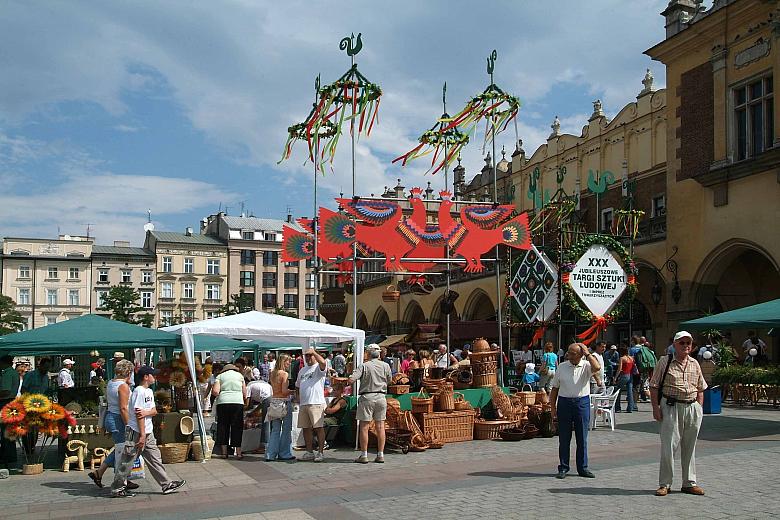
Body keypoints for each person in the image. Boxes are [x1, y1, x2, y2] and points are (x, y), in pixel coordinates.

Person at [110, 366, 185, 498]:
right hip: (137, 431)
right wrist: (142, 434)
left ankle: (166, 483)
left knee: (154, 458)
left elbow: (154, 411)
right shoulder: (139, 391)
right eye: (153, 375)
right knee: (128, 459)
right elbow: (140, 415)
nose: (155, 377)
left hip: (147, 431)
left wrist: (147, 413)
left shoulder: (149, 391)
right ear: (146, 377)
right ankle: (117, 487)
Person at [651, 331, 707, 497]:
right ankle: (665, 484)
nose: (685, 346)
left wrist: (699, 408)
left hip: (691, 408)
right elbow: (654, 386)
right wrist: (656, 408)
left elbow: (701, 387)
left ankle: (689, 483)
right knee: (669, 446)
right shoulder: (665, 361)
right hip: (671, 407)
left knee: (690, 446)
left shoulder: (694, 363)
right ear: (674, 344)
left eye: (688, 343)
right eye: (682, 343)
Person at [550, 342, 600, 479]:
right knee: (564, 438)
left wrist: (588, 353)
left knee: (582, 438)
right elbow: (554, 389)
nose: (569, 355)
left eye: (572, 353)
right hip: (564, 403)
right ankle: (563, 467)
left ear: (580, 354)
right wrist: (552, 407)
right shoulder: (562, 367)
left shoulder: (586, 366)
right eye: (568, 352)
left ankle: (582, 468)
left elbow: (598, 367)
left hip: (581, 403)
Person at [88, 360, 138, 490]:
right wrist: (129, 425)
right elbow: (123, 408)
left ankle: (99, 472)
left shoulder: (111, 382)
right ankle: (120, 482)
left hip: (111, 417)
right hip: (119, 420)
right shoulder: (123, 386)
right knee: (122, 451)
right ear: (128, 372)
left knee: (120, 448)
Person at [349, 343, 392, 463]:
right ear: (378, 354)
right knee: (380, 426)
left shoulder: (364, 366)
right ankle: (380, 454)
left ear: (368, 353)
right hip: (381, 396)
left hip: (367, 396)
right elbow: (390, 380)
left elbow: (351, 379)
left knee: (364, 426)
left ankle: (364, 455)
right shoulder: (386, 365)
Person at [296, 348, 328, 462]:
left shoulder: (318, 368)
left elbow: (323, 363)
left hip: (316, 402)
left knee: (318, 427)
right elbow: (298, 385)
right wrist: (298, 398)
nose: (308, 358)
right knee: (306, 428)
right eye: (306, 356)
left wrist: (314, 352)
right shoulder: (302, 370)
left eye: (310, 356)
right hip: (304, 403)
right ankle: (309, 451)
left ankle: (320, 452)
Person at [212, 363, 247, 459]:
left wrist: (220, 395)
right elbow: (245, 393)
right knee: (237, 427)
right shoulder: (240, 376)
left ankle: (224, 453)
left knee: (223, 426)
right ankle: (238, 453)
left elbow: (215, 391)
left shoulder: (220, 376)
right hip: (237, 402)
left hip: (223, 403)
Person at [265, 354, 295, 462]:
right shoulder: (284, 374)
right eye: (288, 362)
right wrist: (293, 391)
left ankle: (270, 453)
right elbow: (284, 391)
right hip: (284, 402)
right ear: (284, 362)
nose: (289, 364)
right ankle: (284, 452)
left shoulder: (272, 374)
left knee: (275, 429)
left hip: (274, 402)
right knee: (286, 428)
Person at [0, 355, 20, 466]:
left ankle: (7, 455)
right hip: (11, 402)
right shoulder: (14, 372)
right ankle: (10, 455)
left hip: (5, 402)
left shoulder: (7, 373)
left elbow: (5, 391)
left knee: (5, 431)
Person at [615, 345, 636, 413]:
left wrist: (615, 377)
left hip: (624, 375)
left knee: (618, 390)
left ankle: (618, 407)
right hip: (630, 375)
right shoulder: (631, 358)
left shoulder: (622, 358)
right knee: (630, 392)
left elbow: (619, 369)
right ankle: (630, 408)